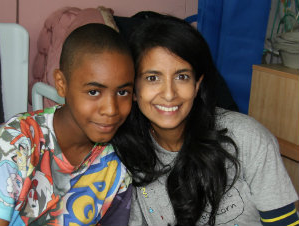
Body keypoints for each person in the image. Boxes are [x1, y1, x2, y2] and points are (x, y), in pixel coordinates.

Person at [115, 15, 299, 226]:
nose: (168, 94)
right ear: (134, 90)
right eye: (152, 78)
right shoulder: (128, 154)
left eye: (182, 76)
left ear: (197, 85)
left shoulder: (248, 138)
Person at [0, 23, 135, 226]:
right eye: (93, 92)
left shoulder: (118, 166)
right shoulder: (15, 145)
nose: (111, 109)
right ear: (61, 84)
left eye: (123, 92)